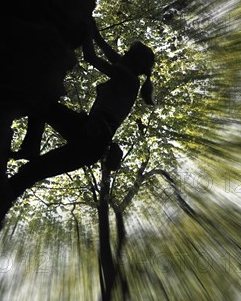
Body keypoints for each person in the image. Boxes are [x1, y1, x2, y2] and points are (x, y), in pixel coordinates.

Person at [9, 39, 155, 200]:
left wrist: (87, 34)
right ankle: (28, 152)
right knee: (33, 169)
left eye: (129, 52)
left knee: (42, 104)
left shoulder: (127, 78)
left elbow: (90, 57)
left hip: (91, 135)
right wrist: (95, 35)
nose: (124, 53)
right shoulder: (130, 77)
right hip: (92, 142)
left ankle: (28, 151)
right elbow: (113, 55)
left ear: (135, 60)